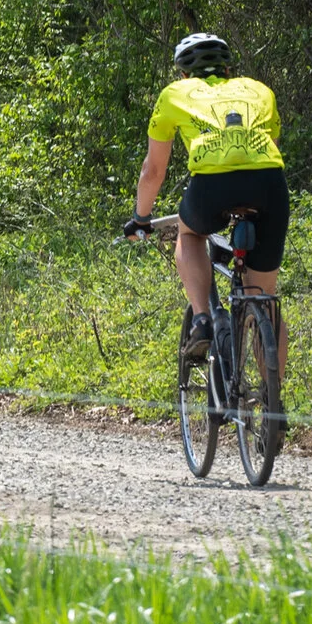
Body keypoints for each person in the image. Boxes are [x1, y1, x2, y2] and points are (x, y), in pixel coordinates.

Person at [123, 32, 291, 376]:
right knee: (264, 298)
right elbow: (267, 145)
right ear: (228, 69)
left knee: (189, 236)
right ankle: (274, 405)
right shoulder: (259, 90)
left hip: (212, 186)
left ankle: (201, 318)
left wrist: (141, 217)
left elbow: (153, 171)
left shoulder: (174, 94)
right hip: (270, 185)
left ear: (183, 74)